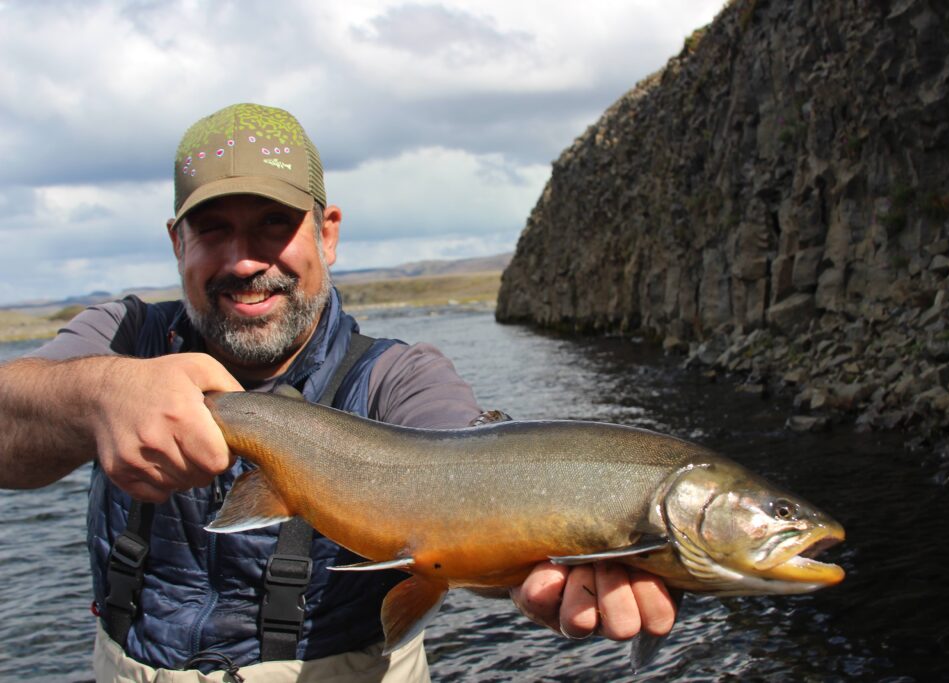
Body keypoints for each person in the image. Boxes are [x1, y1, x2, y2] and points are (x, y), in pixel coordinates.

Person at [0, 103, 675, 681]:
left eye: (273, 222)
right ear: (177, 242)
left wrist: (563, 561)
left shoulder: (400, 378)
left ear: (327, 234)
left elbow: (475, 471)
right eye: (213, 229)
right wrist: (96, 394)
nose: (244, 259)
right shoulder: (121, 338)